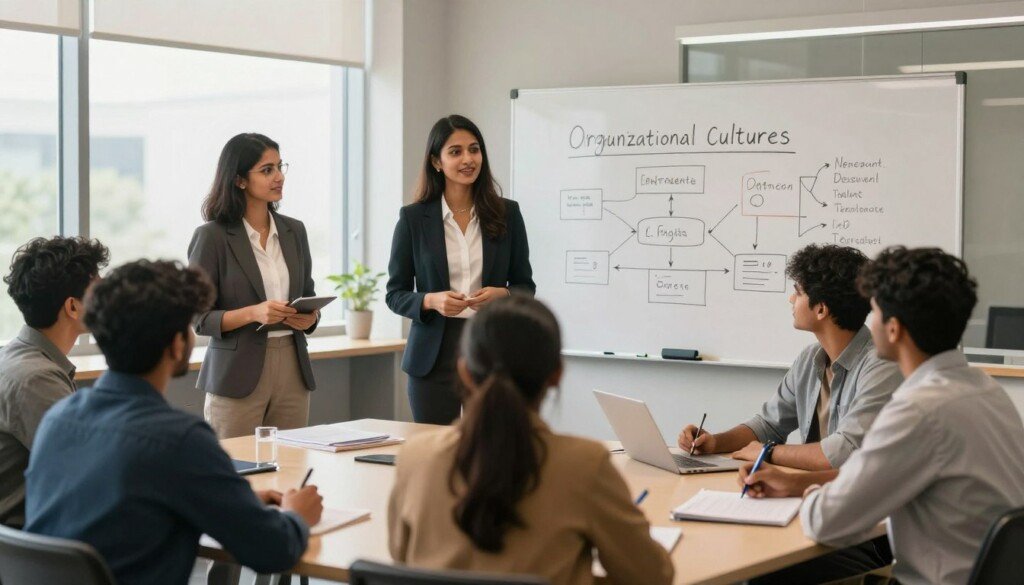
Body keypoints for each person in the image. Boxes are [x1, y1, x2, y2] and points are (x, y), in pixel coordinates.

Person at [25, 259, 323, 585]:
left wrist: (239, 500)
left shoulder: (58, 419)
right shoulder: (180, 439)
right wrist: (297, 515)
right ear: (177, 343)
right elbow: (274, 551)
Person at [741, 247, 1024, 585]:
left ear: (893, 329)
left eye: (873, 310)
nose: (866, 320)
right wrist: (797, 482)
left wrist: (809, 494)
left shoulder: (918, 411)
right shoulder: (987, 392)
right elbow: (884, 476)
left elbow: (824, 521)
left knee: (759, 576)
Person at [388, 295, 673, 585]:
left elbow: (401, 562)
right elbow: (652, 577)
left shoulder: (415, 457)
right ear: (556, 375)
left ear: (464, 371)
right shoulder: (585, 465)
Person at [678, 244, 902, 471]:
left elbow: (845, 451)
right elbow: (768, 425)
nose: (791, 298)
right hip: (806, 489)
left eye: (799, 291)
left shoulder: (882, 366)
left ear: (821, 310)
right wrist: (715, 442)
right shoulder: (810, 359)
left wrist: (768, 452)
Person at [386, 115, 535, 424]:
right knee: (436, 452)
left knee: (493, 451)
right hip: (433, 355)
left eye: (474, 149)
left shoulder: (507, 213)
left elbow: (526, 286)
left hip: (492, 349)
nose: (468, 159)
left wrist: (503, 294)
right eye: (455, 151)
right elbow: (395, 293)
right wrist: (430, 300)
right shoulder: (413, 219)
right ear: (436, 162)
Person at [189, 133, 320, 439]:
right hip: (237, 372)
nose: (279, 177)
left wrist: (310, 317)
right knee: (235, 469)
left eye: (279, 166)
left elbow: (309, 295)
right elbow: (199, 318)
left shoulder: (294, 231)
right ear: (239, 180)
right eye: (267, 170)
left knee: (291, 464)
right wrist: (253, 313)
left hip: (292, 366)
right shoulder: (212, 237)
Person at [0, 236, 108, 528]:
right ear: (73, 307)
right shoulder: (36, 379)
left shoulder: (18, 359)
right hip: (33, 545)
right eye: (100, 291)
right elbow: (89, 468)